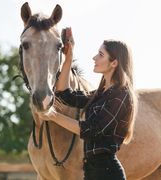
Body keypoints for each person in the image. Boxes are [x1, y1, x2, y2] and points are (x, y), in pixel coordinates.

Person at [38, 28, 137, 180]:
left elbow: (91, 129)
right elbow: (65, 94)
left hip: (107, 173)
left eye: (101, 55)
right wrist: (68, 58)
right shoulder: (101, 93)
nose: (94, 57)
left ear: (114, 63)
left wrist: (53, 116)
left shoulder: (121, 95)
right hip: (91, 172)